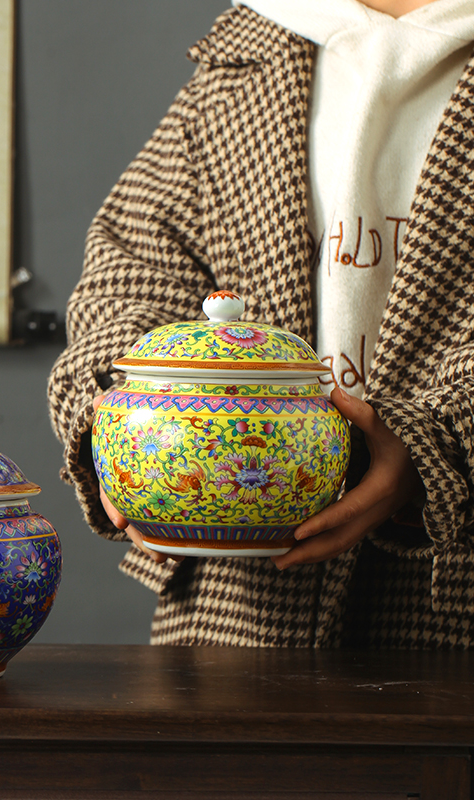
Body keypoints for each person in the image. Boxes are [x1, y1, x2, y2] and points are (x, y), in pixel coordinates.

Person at [47, 0, 474, 648]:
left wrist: (434, 446)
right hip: (238, 605)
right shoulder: (265, 37)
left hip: (451, 581)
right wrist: (125, 420)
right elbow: (129, 268)